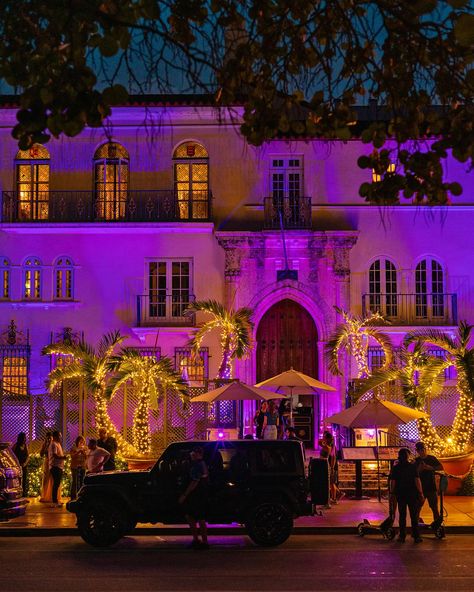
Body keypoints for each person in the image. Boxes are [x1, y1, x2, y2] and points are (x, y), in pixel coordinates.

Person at [389, 447, 424, 543]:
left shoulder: (396, 468)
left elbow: (393, 481)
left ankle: (402, 535)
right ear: (407, 456)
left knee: (402, 515)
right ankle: (416, 536)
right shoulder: (412, 467)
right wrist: (420, 493)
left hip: (401, 493)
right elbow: (417, 480)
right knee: (414, 515)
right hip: (412, 493)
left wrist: (392, 493)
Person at [179, 446, 210, 550]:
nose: (191, 455)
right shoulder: (202, 464)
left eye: (193, 453)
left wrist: (184, 495)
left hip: (196, 495)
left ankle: (200, 541)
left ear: (198, 454)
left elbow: (194, 481)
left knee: (194, 517)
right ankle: (200, 541)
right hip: (200, 494)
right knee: (196, 517)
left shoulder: (197, 465)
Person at [414, 441, 444, 527]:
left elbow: (441, 467)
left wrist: (430, 468)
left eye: (423, 449)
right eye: (420, 450)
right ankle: (415, 527)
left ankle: (437, 526)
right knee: (417, 508)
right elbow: (414, 474)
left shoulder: (432, 458)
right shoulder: (416, 461)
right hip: (420, 488)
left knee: (434, 508)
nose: (422, 451)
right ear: (417, 451)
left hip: (431, 487)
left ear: (425, 449)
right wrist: (420, 469)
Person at [319, 431, 343, 504]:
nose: (322, 438)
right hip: (328, 465)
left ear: (327, 439)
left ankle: (334, 497)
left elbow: (333, 457)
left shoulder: (330, 447)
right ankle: (338, 494)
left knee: (331, 482)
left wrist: (332, 467)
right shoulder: (329, 446)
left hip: (331, 465)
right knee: (331, 482)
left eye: (324, 437)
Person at [48, 431, 67, 508]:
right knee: (56, 484)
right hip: (55, 466)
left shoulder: (57, 444)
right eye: (59, 436)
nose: (61, 437)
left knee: (57, 484)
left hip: (58, 466)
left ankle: (56, 501)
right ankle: (54, 502)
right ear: (55, 436)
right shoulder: (53, 444)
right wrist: (63, 457)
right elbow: (55, 455)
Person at [12, 432, 29, 497]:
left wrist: (25, 463)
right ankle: (17, 495)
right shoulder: (16, 445)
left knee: (24, 480)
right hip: (17, 466)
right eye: (24, 438)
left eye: (25, 438)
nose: (25, 439)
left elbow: (28, 456)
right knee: (18, 481)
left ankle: (23, 495)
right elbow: (12, 456)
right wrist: (16, 464)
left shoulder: (25, 445)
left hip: (24, 465)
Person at [39, 432, 53, 503]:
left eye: (50, 437)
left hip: (53, 462)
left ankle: (51, 496)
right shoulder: (45, 444)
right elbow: (41, 454)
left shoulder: (54, 444)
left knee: (52, 479)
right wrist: (44, 448)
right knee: (46, 479)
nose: (49, 439)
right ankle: (45, 496)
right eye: (47, 438)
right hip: (47, 462)